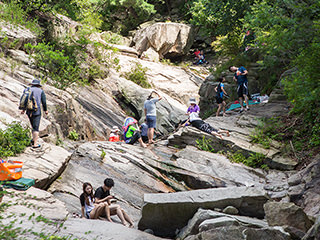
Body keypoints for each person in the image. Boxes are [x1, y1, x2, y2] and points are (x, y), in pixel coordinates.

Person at [20, 79, 48, 148]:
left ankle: (33, 140)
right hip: (37, 111)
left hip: (29, 111)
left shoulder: (27, 90)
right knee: (36, 127)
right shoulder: (41, 91)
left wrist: (23, 110)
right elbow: (44, 102)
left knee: (33, 126)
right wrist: (45, 110)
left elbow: (24, 100)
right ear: (38, 85)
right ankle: (35, 144)